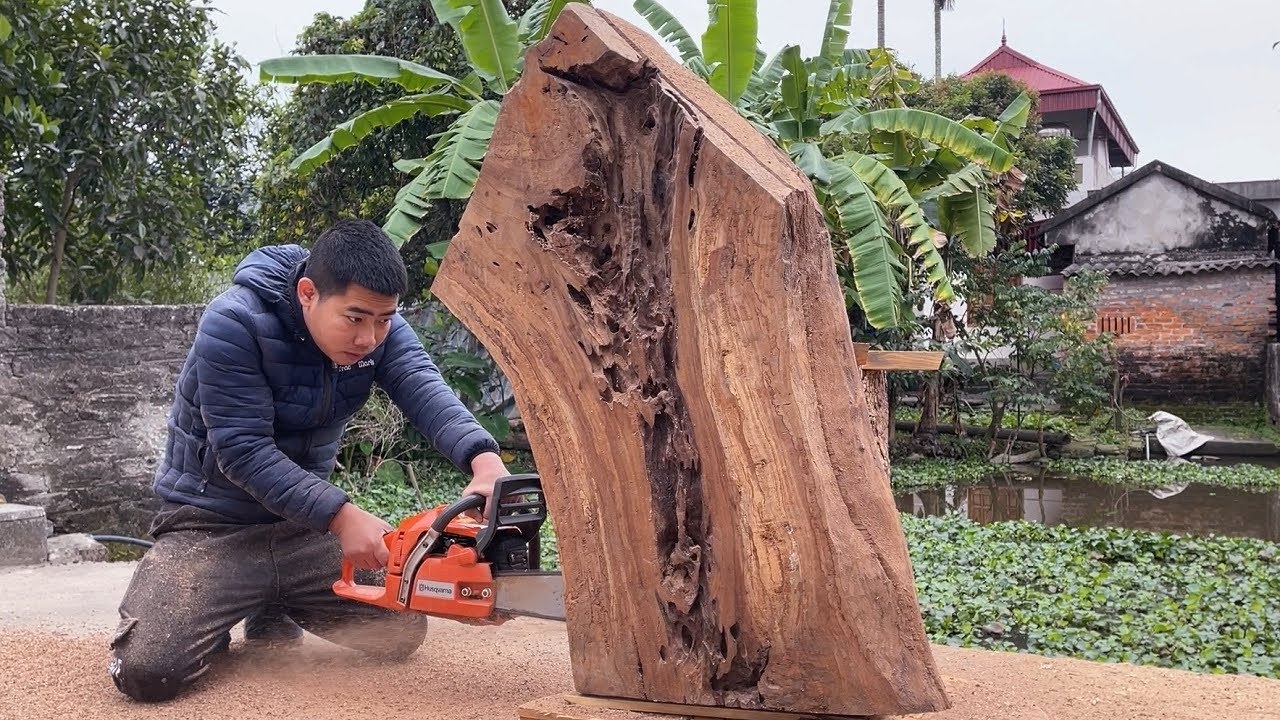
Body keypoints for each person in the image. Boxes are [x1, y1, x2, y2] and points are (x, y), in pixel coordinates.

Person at [108, 220, 510, 702]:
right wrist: (342, 517)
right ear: (307, 293)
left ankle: (273, 599)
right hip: (209, 528)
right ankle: (227, 603)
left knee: (399, 633)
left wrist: (484, 460)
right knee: (149, 671)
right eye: (355, 318)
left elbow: (424, 388)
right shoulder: (234, 322)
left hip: (303, 529)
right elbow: (243, 451)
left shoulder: (379, 329)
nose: (369, 338)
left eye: (384, 320)